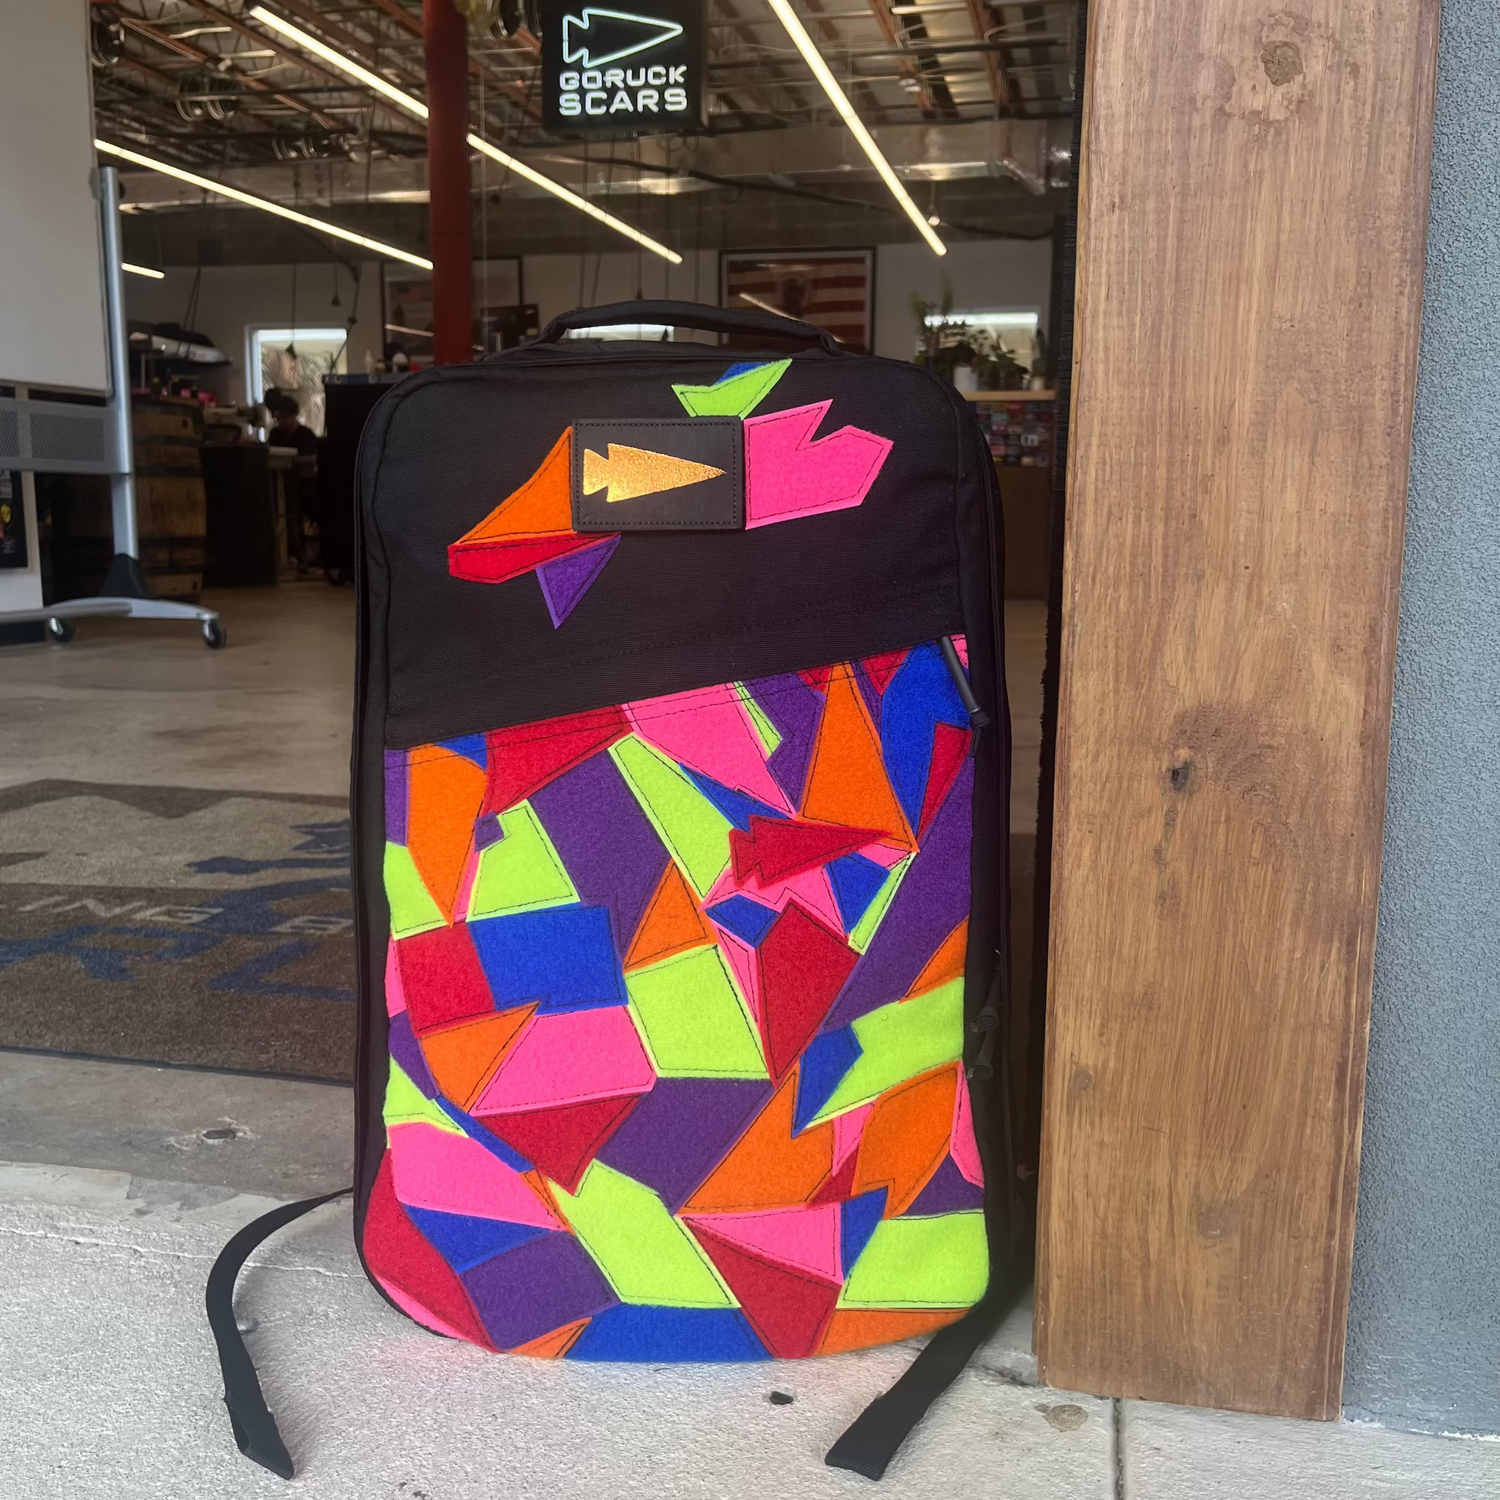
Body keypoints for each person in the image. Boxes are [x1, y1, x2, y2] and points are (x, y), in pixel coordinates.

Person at [264, 391, 318, 570]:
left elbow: (312, 460)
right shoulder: (276, 434)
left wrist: (293, 463)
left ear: (292, 416)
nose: (281, 422)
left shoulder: (306, 435)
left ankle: (297, 553)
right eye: (278, 418)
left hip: (303, 484)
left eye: (284, 418)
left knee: (291, 504)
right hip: (286, 481)